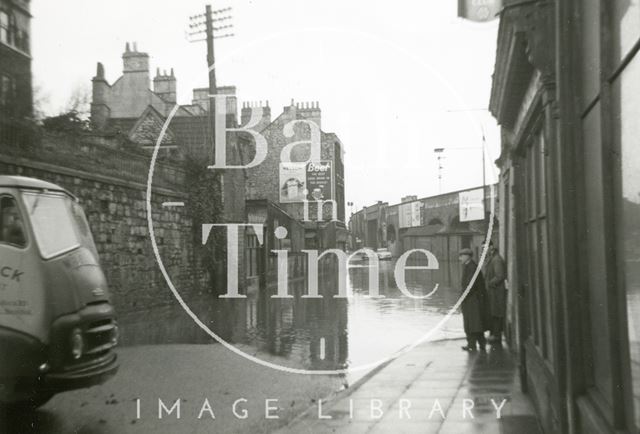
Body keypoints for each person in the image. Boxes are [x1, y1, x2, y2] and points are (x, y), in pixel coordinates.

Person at [459, 247, 489, 352]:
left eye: (462, 256)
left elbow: (469, 285)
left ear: (468, 256)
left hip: (473, 300)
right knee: (475, 323)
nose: (460, 258)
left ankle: (474, 344)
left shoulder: (471, 267)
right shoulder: (470, 266)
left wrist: (463, 297)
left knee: (473, 323)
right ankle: (477, 344)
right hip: (473, 299)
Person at [482, 241, 507, 344]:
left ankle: (496, 336)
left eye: (485, 247)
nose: (484, 250)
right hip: (492, 292)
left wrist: (488, 284)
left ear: (491, 247)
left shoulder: (496, 260)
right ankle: (493, 335)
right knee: (493, 313)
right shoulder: (492, 258)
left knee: (496, 313)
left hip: (496, 292)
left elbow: (500, 276)